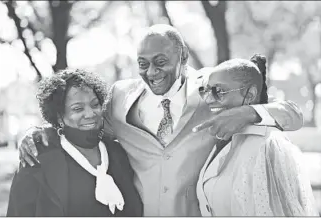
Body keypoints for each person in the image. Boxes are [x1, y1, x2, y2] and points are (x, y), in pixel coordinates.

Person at [18, 24, 304, 216]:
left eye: (161, 61)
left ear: (183, 56)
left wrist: (249, 112)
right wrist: (35, 131)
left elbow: (292, 114)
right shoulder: (120, 96)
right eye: (143, 63)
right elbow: (80, 121)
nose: (151, 72)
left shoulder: (211, 89)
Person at [7, 69, 143, 216]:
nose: (90, 113)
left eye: (95, 104)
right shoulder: (37, 161)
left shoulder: (119, 153)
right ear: (59, 117)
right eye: (78, 109)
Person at [196, 55, 318, 216]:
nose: (209, 99)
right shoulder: (225, 137)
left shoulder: (266, 147)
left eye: (219, 91)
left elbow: (293, 112)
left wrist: (249, 112)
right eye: (204, 91)